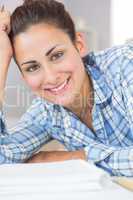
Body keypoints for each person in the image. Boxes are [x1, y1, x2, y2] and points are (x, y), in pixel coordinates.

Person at [0, 0, 133, 177]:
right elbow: (3, 159)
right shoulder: (46, 112)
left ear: (79, 45)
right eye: (32, 68)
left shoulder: (125, 66)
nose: (51, 77)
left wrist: (76, 158)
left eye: (57, 55)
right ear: (24, 76)